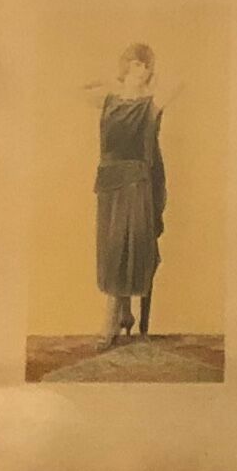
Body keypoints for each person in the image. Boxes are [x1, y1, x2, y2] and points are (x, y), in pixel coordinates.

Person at [91, 43, 166, 342]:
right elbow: (73, 86)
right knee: (110, 249)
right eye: (134, 64)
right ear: (124, 67)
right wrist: (114, 80)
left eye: (145, 65)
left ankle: (110, 319)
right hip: (109, 181)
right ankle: (124, 312)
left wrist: (151, 82)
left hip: (138, 182)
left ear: (150, 71)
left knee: (126, 244)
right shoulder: (108, 101)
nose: (140, 70)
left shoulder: (153, 103)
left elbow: (182, 82)